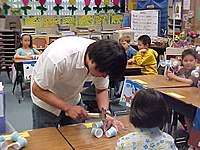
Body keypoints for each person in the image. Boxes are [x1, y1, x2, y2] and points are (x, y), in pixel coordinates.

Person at [31, 37, 127, 130]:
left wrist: (105, 113)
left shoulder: (104, 62)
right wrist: (68, 108)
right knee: (46, 140)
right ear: (92, 60)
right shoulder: (59, 58)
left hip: (73, 98)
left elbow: (101, 90)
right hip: (46, 100)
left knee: (76, 138)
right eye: (103, 73)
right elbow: (37, 89)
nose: (104, 77)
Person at [166, 49, 200, 135]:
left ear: (196, 61)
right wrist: (171, 75)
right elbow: (177, 79)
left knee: (187, 114)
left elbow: (190, 82)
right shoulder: (182, 70)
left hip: (194, 101)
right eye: (185, 61)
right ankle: (187, 130)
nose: (188, 63)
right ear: (182, 61)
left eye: (191, 61)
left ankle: (192, 136)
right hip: (183, 97)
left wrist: (174, 77)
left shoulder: (197, 71)